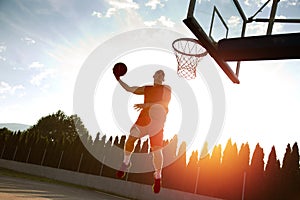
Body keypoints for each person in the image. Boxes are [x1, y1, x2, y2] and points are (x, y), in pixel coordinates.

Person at [114, 69, 171, 194]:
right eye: (158, 73)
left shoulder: (166, 88)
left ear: (163, 78)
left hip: (157, 122)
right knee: (131, 139)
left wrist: (147, 105)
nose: (160, 75)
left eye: (162, 74)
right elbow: (129, 89)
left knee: (157, 151)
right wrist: (118, 79)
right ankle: (126, 162)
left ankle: (158, 176)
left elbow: (164, 103)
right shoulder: (147, 89)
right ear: (153, 75)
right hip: (143, 120)